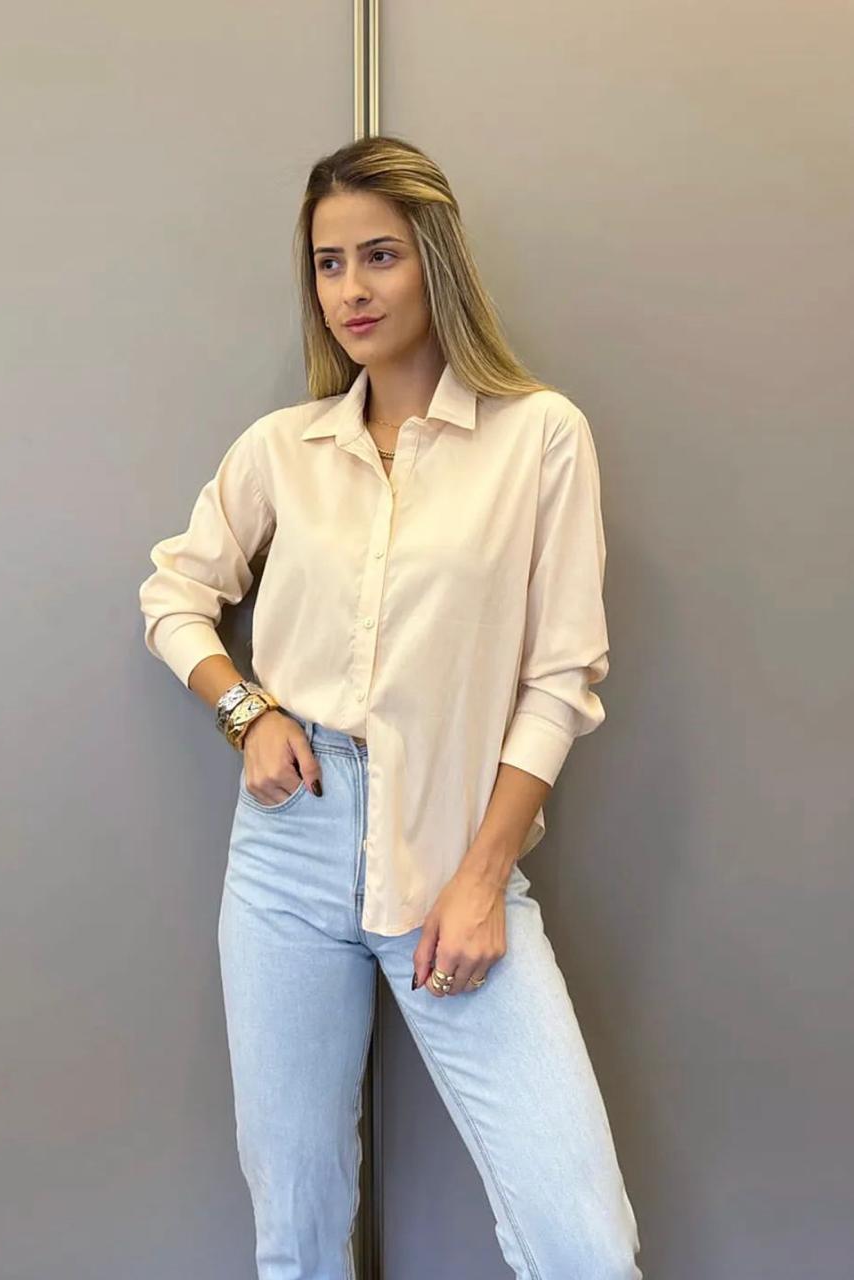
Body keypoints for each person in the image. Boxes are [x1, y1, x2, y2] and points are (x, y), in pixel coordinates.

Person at [138, 134, 642, 1279]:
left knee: (582, 1243)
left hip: (452, 848)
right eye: (328, 263)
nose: (351, 289)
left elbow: (562, 676)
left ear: (436, 261)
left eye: (380, 254)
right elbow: (173, 591)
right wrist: (245, 710)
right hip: (286, 852)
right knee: (299, 1236)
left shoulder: (540, 436)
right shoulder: (285, 448)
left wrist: (481, 878)